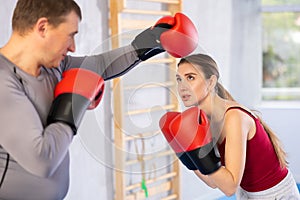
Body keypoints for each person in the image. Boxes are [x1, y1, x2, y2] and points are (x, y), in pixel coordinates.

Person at [0, 0, 198, 199]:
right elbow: (42, 160)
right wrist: (72, 102)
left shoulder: (52, 66)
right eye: (70, 35)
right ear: (42, 27)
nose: (72, 47)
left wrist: (154, 40)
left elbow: (101, 64)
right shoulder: (4, 80)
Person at [159, 53, 300, 199]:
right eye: (179, 79)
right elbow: (214, 182)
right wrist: (187, 155)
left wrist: (196, 153)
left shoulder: (234, 118)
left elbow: (229, 187)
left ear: (211, 82)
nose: (182, 87)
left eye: (190, 77)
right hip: (246, 193)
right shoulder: (204, 121)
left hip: (276, 195)